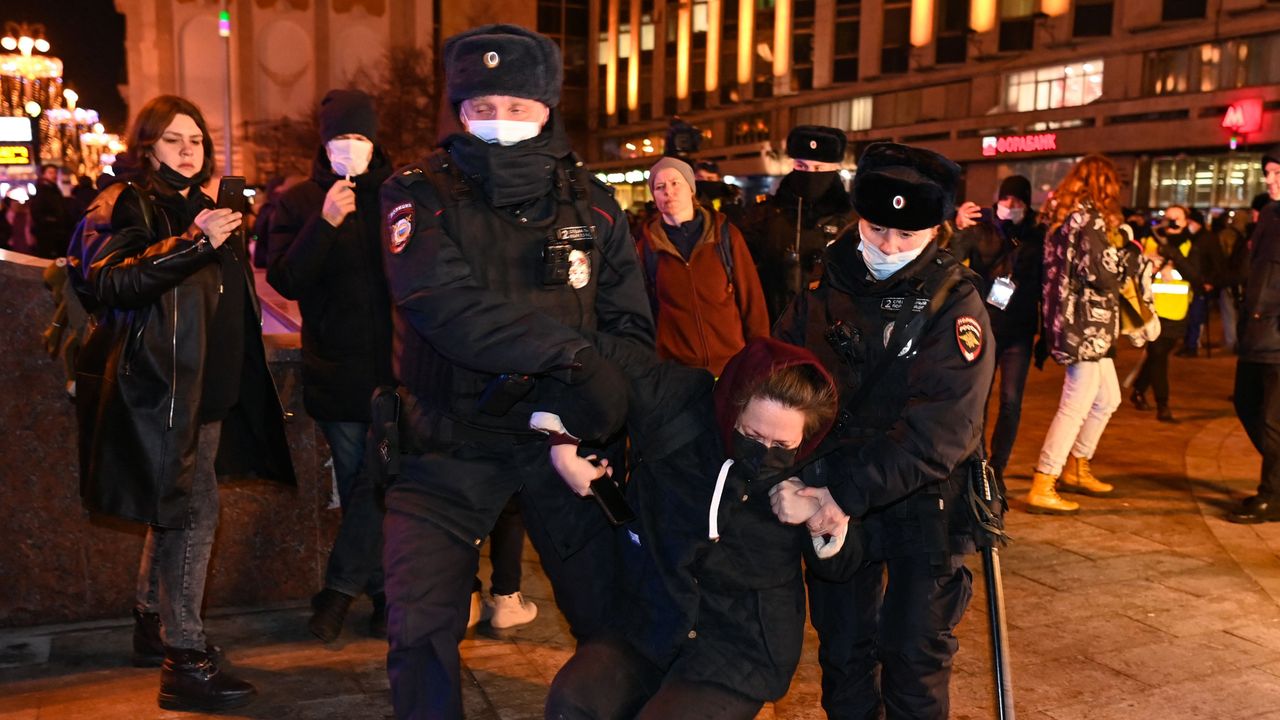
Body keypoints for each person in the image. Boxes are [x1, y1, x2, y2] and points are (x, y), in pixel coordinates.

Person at [377, 24, 653, 719]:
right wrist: (572, 355)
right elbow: (444, 304)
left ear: (548, 108)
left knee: (612, 618)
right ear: (458, 109)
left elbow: (628, 328)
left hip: (559, 445)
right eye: (482, 108)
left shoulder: (591, 204)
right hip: (447, 442)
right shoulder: (416, 193)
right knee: (418, 631)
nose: (499, 123)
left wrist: (581, 423)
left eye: (518, 107)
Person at [71, 94, 295, 711]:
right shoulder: (124, 201)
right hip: (161, 388)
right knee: (191, 516)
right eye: (173, 139)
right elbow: (109, 279)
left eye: (195, 138)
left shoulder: (206, 204)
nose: (188, 149)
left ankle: (152, 623)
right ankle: (185, 659)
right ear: (147, 145)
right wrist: (194, 243)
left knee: (175, 508)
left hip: (209, 386)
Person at [773, 142, 996, 719]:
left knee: (914, 657)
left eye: (907, 235)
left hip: (924, 504)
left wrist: (842, 493)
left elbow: (943, 429)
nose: (888, 247)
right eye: (875, 229)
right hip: (830, 494)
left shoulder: (956, 302)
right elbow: (779, 383)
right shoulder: (822, 290)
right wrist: (791, 475)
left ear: (936, 230)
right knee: (844, 652)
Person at [544, 337, 858, 719]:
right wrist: (564, 439)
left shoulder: (818, 464)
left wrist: (819, 516)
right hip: (649, 621)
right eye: (753, 436)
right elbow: (594, 351)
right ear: (731, 408)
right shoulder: (681, 407)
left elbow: (844, 565)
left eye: (782, 444)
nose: (763, 453)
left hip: (737, 646)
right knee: (572, 702)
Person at [266, 89, 395, 642]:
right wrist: (325, 222)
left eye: (360, 138)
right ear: (324, 142)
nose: (350, 148)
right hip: (337, 374)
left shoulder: (399, 195)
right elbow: (284, 279)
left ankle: (341, 593)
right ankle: (383, 595)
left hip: (398, 375)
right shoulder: (296, 202)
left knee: (381, 486)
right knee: (361, 486)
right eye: (341, 138)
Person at [1023, 155, 1136, 514]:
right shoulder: (1089, 219)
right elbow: (1102, 274)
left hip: (1075, 323)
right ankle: (1045, 478)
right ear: (1103, 185)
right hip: (1086, 327)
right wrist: (1129, 253)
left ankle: (1076, 464)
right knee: (1076, 405)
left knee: (1108, 398)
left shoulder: (1063, 217)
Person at [635, 155, 769, 375]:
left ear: (691, 188)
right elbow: (646, 313)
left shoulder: (725, 236)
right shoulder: (647, 248)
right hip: (678, 373)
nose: (668, 191)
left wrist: (759, 357)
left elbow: (752, 302)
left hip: (731, 366)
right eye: (660, 187)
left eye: (675, 183)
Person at [952, 174, 1045, 484]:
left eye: (1017, 201)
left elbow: (1047, 281)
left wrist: (1046, 333)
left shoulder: (1038, 232)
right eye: (1006, 200)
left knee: (1011, 400)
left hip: (1020, 328)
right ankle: (975, 462)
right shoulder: (984, 226)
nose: (1011, 206)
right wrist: (959, 225)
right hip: (986, 325)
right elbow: (951, 257)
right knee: (979, 396)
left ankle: (998, 467)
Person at [743, 125, 855, 322]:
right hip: (775, 324)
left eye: (819, 168)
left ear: (835, 168)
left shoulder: (852, 220)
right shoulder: (766, 215)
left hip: (830, 330)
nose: (810, 174)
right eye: (802, 166)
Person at [1226, 147, 1280, 524]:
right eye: (1268, 173)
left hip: (1277, 335)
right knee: (1246, 403)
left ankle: (1272, 495)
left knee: (1274, 419)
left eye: (1278, 173)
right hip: (1256, 333)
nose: (1271, 180)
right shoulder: (1270, 216)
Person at [1131, 203, 1204, 423]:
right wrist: (1150, 267)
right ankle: (1163, 405)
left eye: (1177, 218)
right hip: (1152, 310)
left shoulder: (1191, 247)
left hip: (1177, 312)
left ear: (1186, 221)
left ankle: (1138, 389)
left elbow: (1196, 277)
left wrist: (1175, 259)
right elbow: (1134, 273)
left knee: (1157, 354)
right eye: (1169, 217)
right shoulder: (1151, 242)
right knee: (1159, 355)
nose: (1172, 222)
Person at [29, 164, 77, 258]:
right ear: (43, 175)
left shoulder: (54, 190)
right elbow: (38, 214)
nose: (54, 175)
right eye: (50, 172)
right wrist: (54, 221)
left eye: (55, 172)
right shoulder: (43, 192)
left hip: (58, 234)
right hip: (49, 235)